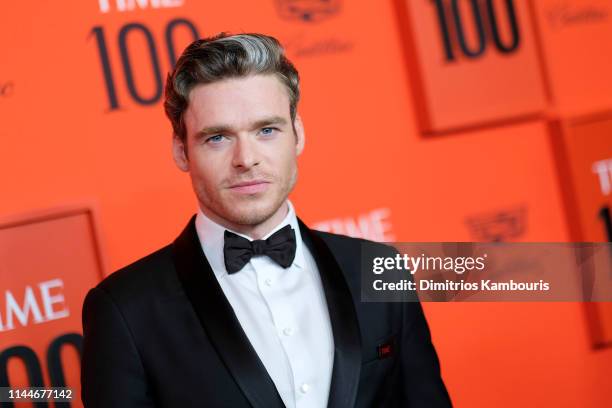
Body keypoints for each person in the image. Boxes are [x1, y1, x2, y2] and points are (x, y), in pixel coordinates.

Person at [81, 32, 452, 408]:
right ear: (181, 152)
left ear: (298, 135)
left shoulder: (378, 268)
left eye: (267, 130)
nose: (247, 158)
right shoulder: (125, 310)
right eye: (218, 138)